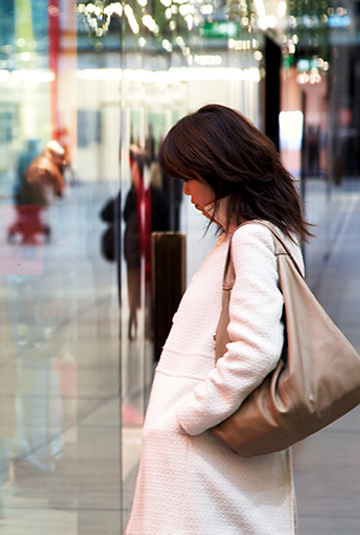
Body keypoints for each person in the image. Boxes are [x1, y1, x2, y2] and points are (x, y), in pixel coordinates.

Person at [125, 104, 311, 534]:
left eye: (190, 176)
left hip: (205, 457)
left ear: (220, 171)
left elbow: (256, 349)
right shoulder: (264, 233)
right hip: (211, 455)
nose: (186, 189)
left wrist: (188, 417)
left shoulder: (250, 239)